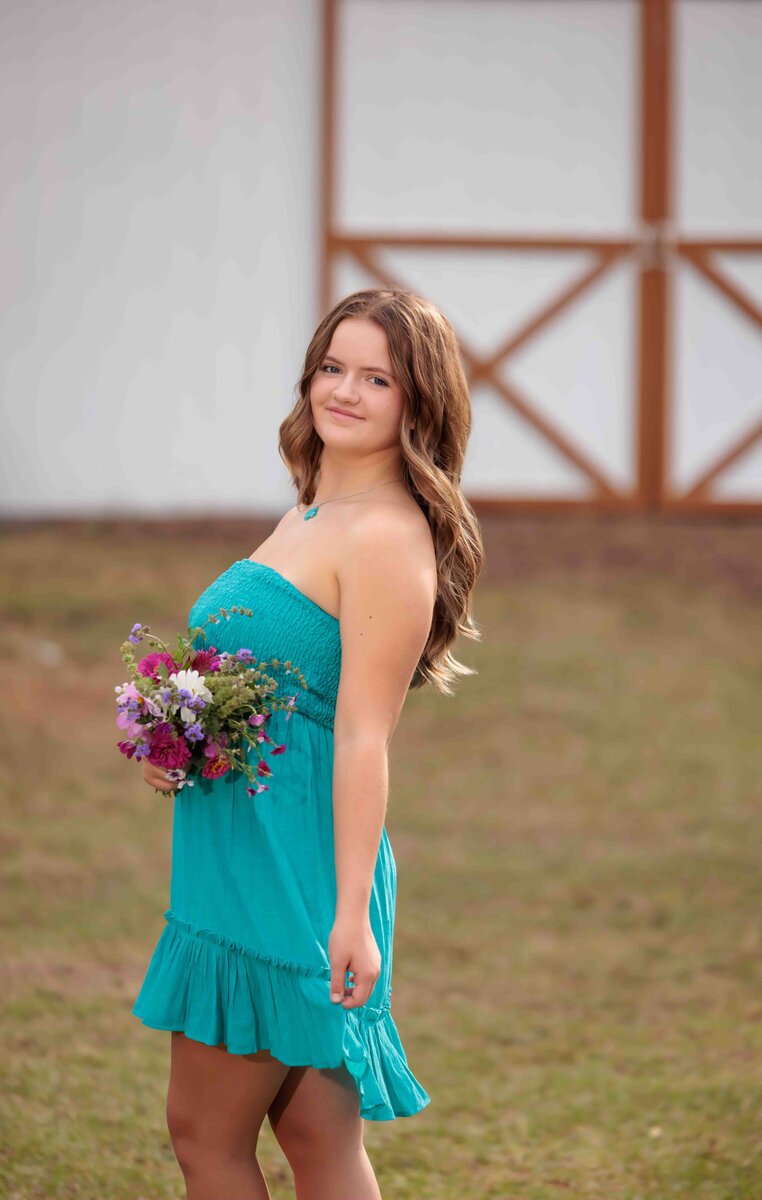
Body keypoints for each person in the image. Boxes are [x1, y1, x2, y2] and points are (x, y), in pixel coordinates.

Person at [131, 286, 485, 1199]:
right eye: (334, 367)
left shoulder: (387, 536)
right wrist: (188, 723)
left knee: (203, 1134)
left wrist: (350, 912)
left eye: (379, 378)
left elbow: (365, 734)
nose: (346, 391)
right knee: (315, 1136)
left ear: (420, 403)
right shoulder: (314, 510)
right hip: (243, 844)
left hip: (296, 868)